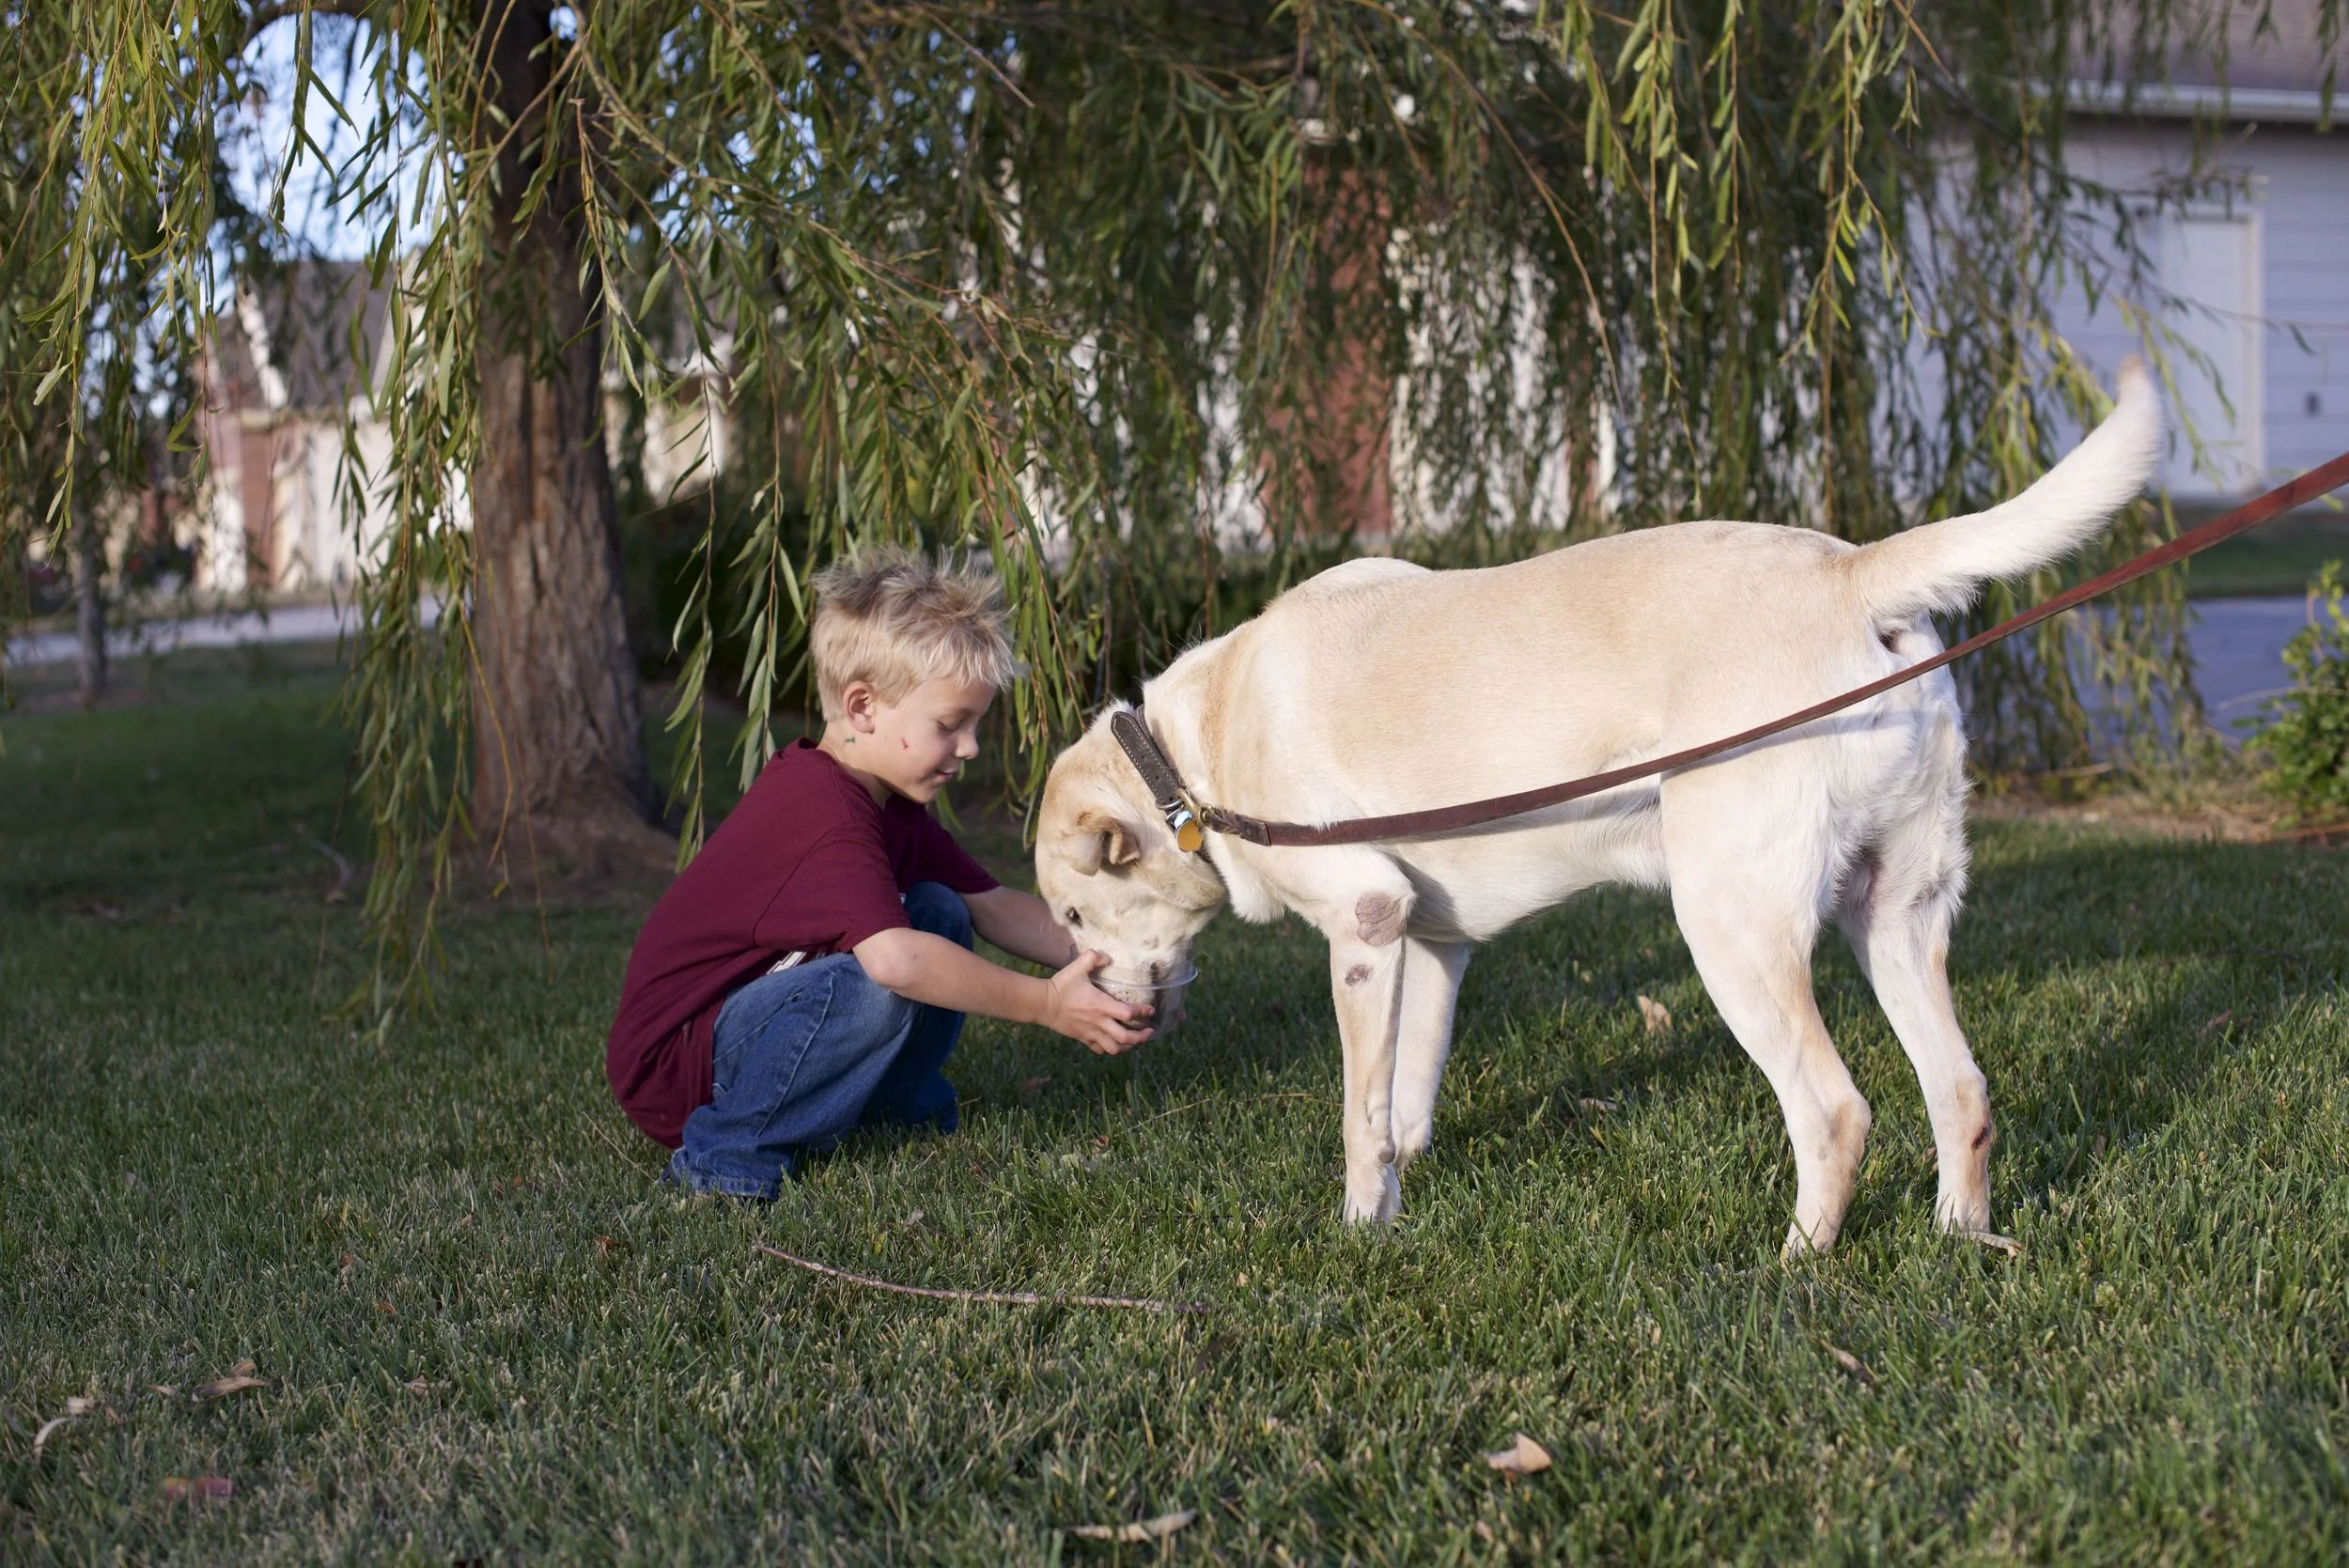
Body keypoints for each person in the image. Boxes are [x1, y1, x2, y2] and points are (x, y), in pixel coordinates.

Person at [605, 551, 1151, 1198]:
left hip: (747, 1023)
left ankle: (894, 1107)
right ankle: (727, 1155)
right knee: (885, 975)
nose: (971, 747)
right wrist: (1047, 1003)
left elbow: (992, 902)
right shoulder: (823, 810)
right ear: (863, 706)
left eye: (975, 724)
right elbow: (896, 962)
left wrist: (1119, 954)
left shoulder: (890, 801)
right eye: (951, 725)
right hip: (679, 1066)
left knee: (941, 910)